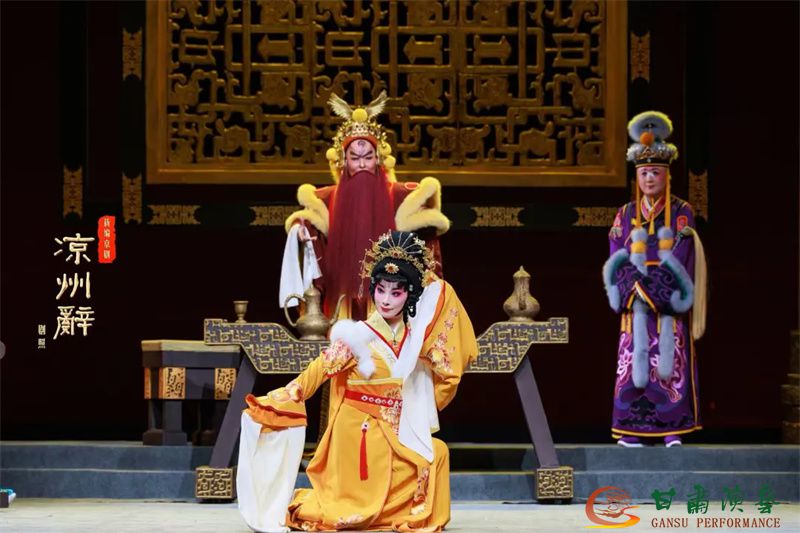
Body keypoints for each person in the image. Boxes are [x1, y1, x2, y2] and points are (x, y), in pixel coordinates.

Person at [240, 231, 478, 532]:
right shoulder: (358, 335)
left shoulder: (413, 339)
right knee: (367, 494)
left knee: (437, 452)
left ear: (410, 295)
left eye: (396, 292)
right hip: (360, 431)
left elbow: (442, 306)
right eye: (381, 290)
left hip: (396, 428)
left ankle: (400, 513)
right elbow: (319, 370)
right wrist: (286, 396)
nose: (386, 300)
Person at [279, 92, 449, 321]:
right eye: (355, 158)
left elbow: (428, 240)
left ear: (378, 159)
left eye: (368, 158)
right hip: (341, 301)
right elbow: (306, 225)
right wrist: (301, 230)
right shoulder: (326, 199)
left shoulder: (402, 196)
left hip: (392, 301)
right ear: (343, 160)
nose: (361, 165)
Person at [602, 111, 708, 448]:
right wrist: (633, 286)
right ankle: (631, 428)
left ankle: (671, 427)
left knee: (669, 362)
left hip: (666, 304)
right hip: (634, 302)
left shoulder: (682, 212)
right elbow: (616, 254)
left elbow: (683, 255)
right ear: (637, 177)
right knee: (633, 362)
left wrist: (656, 289)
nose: (649, 178)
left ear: (667, 175)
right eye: (644, 173)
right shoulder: (625, 214)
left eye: (655, 172)